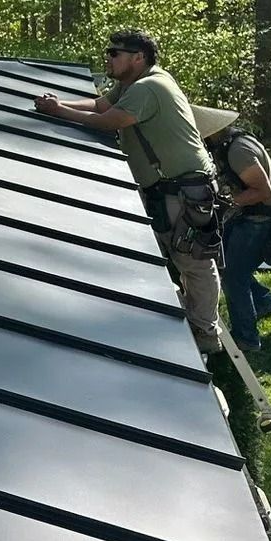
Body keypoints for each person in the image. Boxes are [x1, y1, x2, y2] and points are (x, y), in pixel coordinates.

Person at [32, 30, 224, 353]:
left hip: (183, 190)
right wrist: (58, 103)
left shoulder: (149, 87)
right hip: (171, 189)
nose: (108, 58)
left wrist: (59, 112)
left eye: (115, 53)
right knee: (179, 258)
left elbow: (110, 120)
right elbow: (99, 104)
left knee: (194, 261)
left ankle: (205, 332)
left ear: (138, 58)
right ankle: (190, 323)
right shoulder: (132, 84)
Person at [192, 105, 271, 352]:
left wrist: (228, 202)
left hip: (261, 217)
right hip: (252, 213)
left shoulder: (238, 151)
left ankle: (247, 338)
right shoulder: (231, 143)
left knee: (234, 277)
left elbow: (262, 192)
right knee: (229, 266)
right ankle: (265, 302)